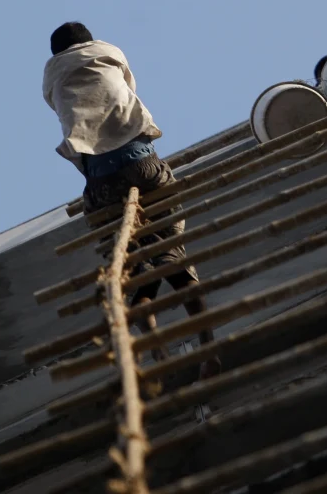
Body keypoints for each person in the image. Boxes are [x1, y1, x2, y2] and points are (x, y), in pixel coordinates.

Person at [42, 22, 221, 379]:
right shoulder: (110, 52)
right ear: (88, 40)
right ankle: (208, 345)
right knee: (170, 253)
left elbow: (60, 108)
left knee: (134, 269)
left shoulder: (51, 76)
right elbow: (128, 87)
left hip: (100, 180)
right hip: (141, 163)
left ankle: (157, 350)